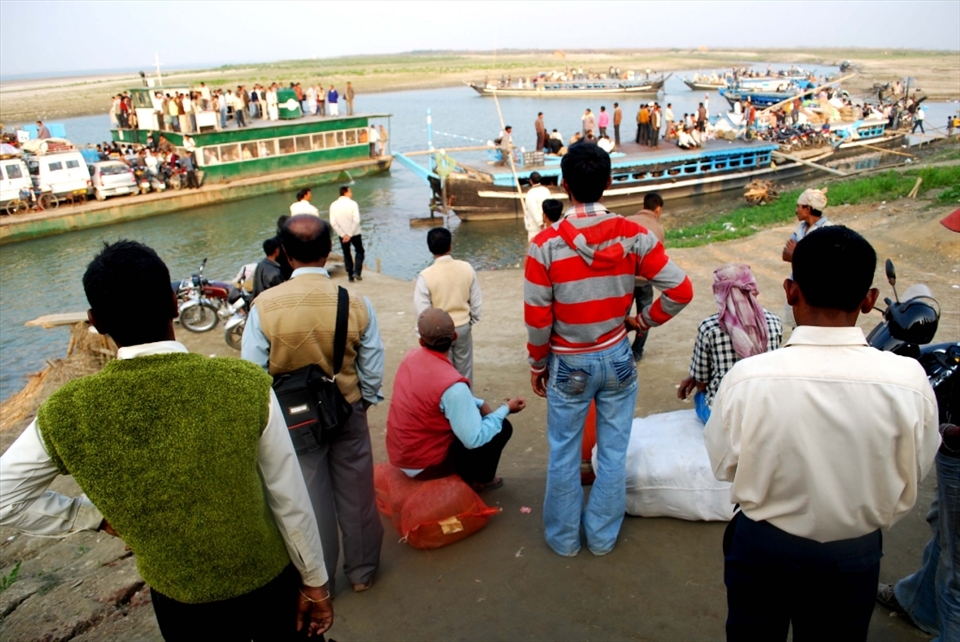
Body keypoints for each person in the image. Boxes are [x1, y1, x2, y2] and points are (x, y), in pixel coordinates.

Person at [0, 240, 333, 640]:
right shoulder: (243, 385)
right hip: (267, 585)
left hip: (178, 602)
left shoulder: (66, 412)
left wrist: (89, 515)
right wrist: (315, 582)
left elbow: (6, 498)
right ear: (175, 304)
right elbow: (290, 500)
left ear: (95, 321)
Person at [704, 225, 940, 641]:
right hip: (853, 554)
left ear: (791, 291)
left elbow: (724, 466)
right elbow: (914, 471)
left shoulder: (748, 378)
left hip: (761, 549)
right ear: (869, 302)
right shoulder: (908, 381)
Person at [524, 143, 693, 557]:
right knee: (613, 452)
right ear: (610, 182)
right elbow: (681, 290)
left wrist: (538, 363)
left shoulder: (545, 245)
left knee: (564, 453)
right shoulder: (636, 236)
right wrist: (644, 319)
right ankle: (601, 538)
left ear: (563, 186)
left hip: (569, 362)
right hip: (618, 356)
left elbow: (538, 318)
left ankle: (564, 541)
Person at [242, 215, 385, 595]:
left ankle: (320, 578)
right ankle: (362, 572)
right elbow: (372, 363)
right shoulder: (354, 301)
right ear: (329, 251)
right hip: (347, 408)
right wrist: (363, 401)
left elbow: (252, 374)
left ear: (285, 254)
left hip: (292, 421)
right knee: (357, 494)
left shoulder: (263, 307)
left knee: (309, 497)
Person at [386, 308, 524, 492]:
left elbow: (435, 395)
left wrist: (480, 403)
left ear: (421, 341)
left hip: (401, 455)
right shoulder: (454, 386)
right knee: (502, 427)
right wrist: (505, 408)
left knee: (471, 416)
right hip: (425, 465)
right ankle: (480, 480)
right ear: (455, 336)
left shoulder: (410, 358)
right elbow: (474, 439)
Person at [678, 264, 782, 423]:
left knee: (701, 396)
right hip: (764, 410)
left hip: (723, 417)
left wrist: (695, 376)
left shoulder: (709, 328)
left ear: (719, 292)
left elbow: (701, 384)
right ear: (752, 287)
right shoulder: (774, 322)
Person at [414, 227, 482, 383]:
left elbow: (422, 312)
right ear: (451, 245)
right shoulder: (466, 268)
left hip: (437, 331)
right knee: (465, 371)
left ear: (430, 248)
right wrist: (470, 320)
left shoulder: (425, 276)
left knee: (442, 372)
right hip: (462, 325)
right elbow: (476, 302)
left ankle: (446, 405)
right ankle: (467, 403)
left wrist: (423, 335)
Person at [624, 192, 666, 361]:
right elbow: (658, 259)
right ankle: (637, 352)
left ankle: (619, 348)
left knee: (620, 316)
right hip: (645, 281)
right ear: (658, 209)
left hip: (625, 280)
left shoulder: (627, 221)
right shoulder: (658, 229)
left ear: (643, 205)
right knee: (644, 318)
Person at [782, 188, 830, 327]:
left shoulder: (827, 230)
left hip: (818, 290)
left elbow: (825, 263)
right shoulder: (800, 228)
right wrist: (806, 255)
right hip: (799, 285)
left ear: (807, 208)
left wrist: (796, 254)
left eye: (798, 206)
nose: (796, 210)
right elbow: (786, 255)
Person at [329, 186, 364, 282]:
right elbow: (356, 220)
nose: (351, 193)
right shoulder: (353, 204)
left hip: (342, 235)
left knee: (346, 253)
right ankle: (357, 271)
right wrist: (350, 234)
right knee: (359, 251)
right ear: (346, 192)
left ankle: (350, 274)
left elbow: (333, 222)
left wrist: (343, 234)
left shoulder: (333, 205)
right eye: (350, 191)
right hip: (355, 233)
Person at [524, 171, 552, 242]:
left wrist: (541, 224)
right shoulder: (546, 190)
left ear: (531, 181)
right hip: (547, 225)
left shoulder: (530, 194)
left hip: (535, 229)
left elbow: (534, 210)